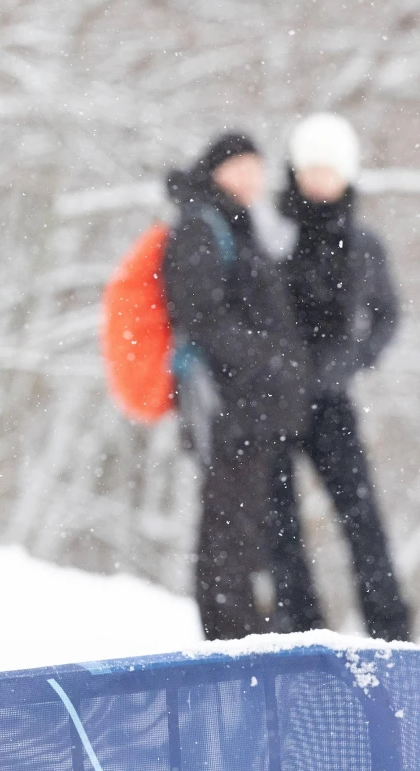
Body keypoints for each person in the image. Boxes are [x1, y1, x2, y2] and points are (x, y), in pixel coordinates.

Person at [267, 114, 412, 642]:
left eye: (330, 169)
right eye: (312, 168)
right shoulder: (271, 234)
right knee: (277, 528)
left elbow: (387, 315)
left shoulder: (362, 243)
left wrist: (353, 360)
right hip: (272, 403)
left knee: (362, 520)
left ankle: (391, 637)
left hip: (331, 401)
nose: (320, 180)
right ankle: (300, 638)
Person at [163, 133, 312, 639]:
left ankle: (240, 631)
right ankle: (230, 637)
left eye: (257, 168)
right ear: (215, 170)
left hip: (250, 404)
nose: (251, 178)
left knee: (242, 527)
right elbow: (201, 316)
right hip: (226, 405)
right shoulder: (201, 226)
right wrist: (265, 359)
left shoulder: (235, 223)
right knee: (228, 528)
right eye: (240, 167)